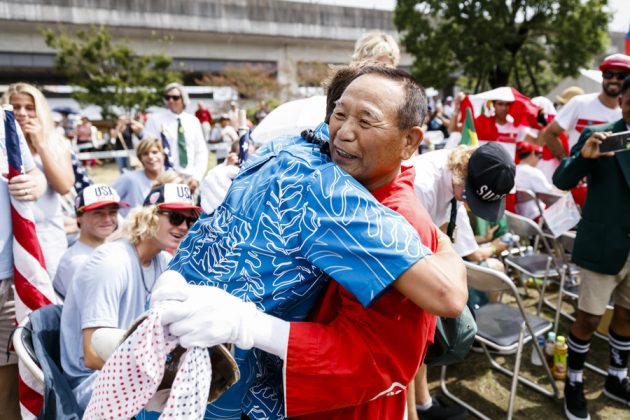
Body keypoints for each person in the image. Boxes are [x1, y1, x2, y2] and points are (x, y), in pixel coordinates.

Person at [148, 66, 467, 419]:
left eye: (365, 121)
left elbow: (423, 317)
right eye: (340, 114)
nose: (344, 133)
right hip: (228, 373)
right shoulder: (293, 154)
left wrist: (252, 326)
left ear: (410, 141)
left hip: (336, 401)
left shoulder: (367, 204)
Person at [59, 182, 200, 411]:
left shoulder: (163, 261)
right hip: (92, 383)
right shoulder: (111, 262)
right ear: (149, 216)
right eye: (175, 217)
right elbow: (93, 355)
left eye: (190, 220)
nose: (184, 226)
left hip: (131, 370)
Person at [405, 141, 515, 419]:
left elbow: (453, 242)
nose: (467, 204)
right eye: (468, 196)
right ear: (460, 174)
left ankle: (423, 403)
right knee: (409, 348)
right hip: (405, 267)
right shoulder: (422, 185)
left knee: (423, 342)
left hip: (424, 262)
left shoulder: (457, 178)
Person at [553, 75, 630, 420]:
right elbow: (562, 180)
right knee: (589, 318)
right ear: (621, 103)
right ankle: (573, 382)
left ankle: (616, 378)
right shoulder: (601, 134)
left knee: (627, 315)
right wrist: (585, 158)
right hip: (603, 243)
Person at [1, 106, 47, 419]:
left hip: (8, 279)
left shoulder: (4, 122)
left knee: (8, 382)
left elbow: (33, 174)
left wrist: (34, 183)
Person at [2, 83, 75, 279]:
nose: (22, 113)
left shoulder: (56, 142)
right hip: (9, 236)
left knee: (48, 297)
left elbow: (64, 186)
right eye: (15, 107)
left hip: (46, 236)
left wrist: (40, 145)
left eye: (29, 107)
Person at [542, 54, 629, 165]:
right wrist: (567, 163)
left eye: (621, 76)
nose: (614, 79)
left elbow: (625, 146)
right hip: (580, 179)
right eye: (608, 74)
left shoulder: (627, 114)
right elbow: (549, 133)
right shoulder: (579, 103)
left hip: (613, 180)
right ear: (602, 76)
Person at [52, 184, 128, 298]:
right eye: (98, 213)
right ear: (79, 217)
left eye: (112, 212)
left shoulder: (116, 250)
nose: (107, 219)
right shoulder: (76, 262)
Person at [143, 82, 208, 193]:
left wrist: (197, 178)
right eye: (167, 97)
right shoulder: (155, 120)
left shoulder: (193, 121)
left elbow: (201, 151)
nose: (171, 101)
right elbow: (147, 149)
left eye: (175, 97)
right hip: (165, 177)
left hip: (189, 177)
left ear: (183, 99)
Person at [112, 137, 166, 216]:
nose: (150, 156)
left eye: (154, 152)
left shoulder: (171, 180)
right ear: (140, 159)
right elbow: (107, 200)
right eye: (145, 154)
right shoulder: (129, 178)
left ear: (163, 155)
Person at [514, 141, 555, 220]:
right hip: (536, 216)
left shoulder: (513, 170)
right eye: (539, 156)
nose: (538, 160)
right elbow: (550, 196)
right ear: (532, 153)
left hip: (519, 216)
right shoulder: (534, 172)